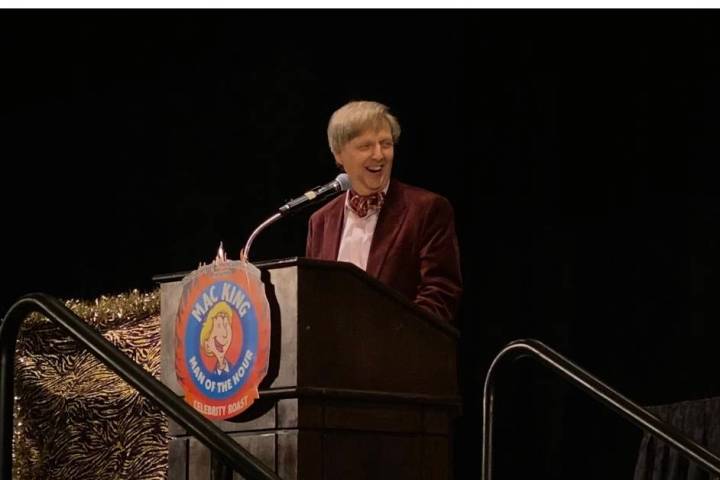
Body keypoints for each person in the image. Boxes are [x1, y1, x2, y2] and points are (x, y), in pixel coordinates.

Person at [305, 100, 462, 323]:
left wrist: (386, 340)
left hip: (400, 352)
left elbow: (440, 293)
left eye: (386, 144)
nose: (379, 155)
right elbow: (314, 297)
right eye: (366, 146)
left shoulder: (427, 209)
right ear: (339, 155)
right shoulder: (320, 221)